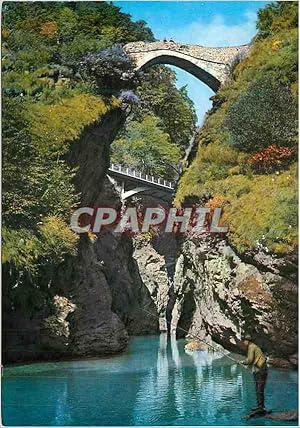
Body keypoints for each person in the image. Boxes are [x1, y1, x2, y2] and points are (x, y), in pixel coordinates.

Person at [241, 334, 268, 413]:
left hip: (260, 371)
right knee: (258, 389)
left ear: (248, 341)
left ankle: (261, 407)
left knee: (259, 389)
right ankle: (259, 406)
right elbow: (253, 361)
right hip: (260, 370)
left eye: (244, 340)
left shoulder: (251, 347)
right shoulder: (254, 347)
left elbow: (249, 360)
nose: (243, 342)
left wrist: (242, 362)